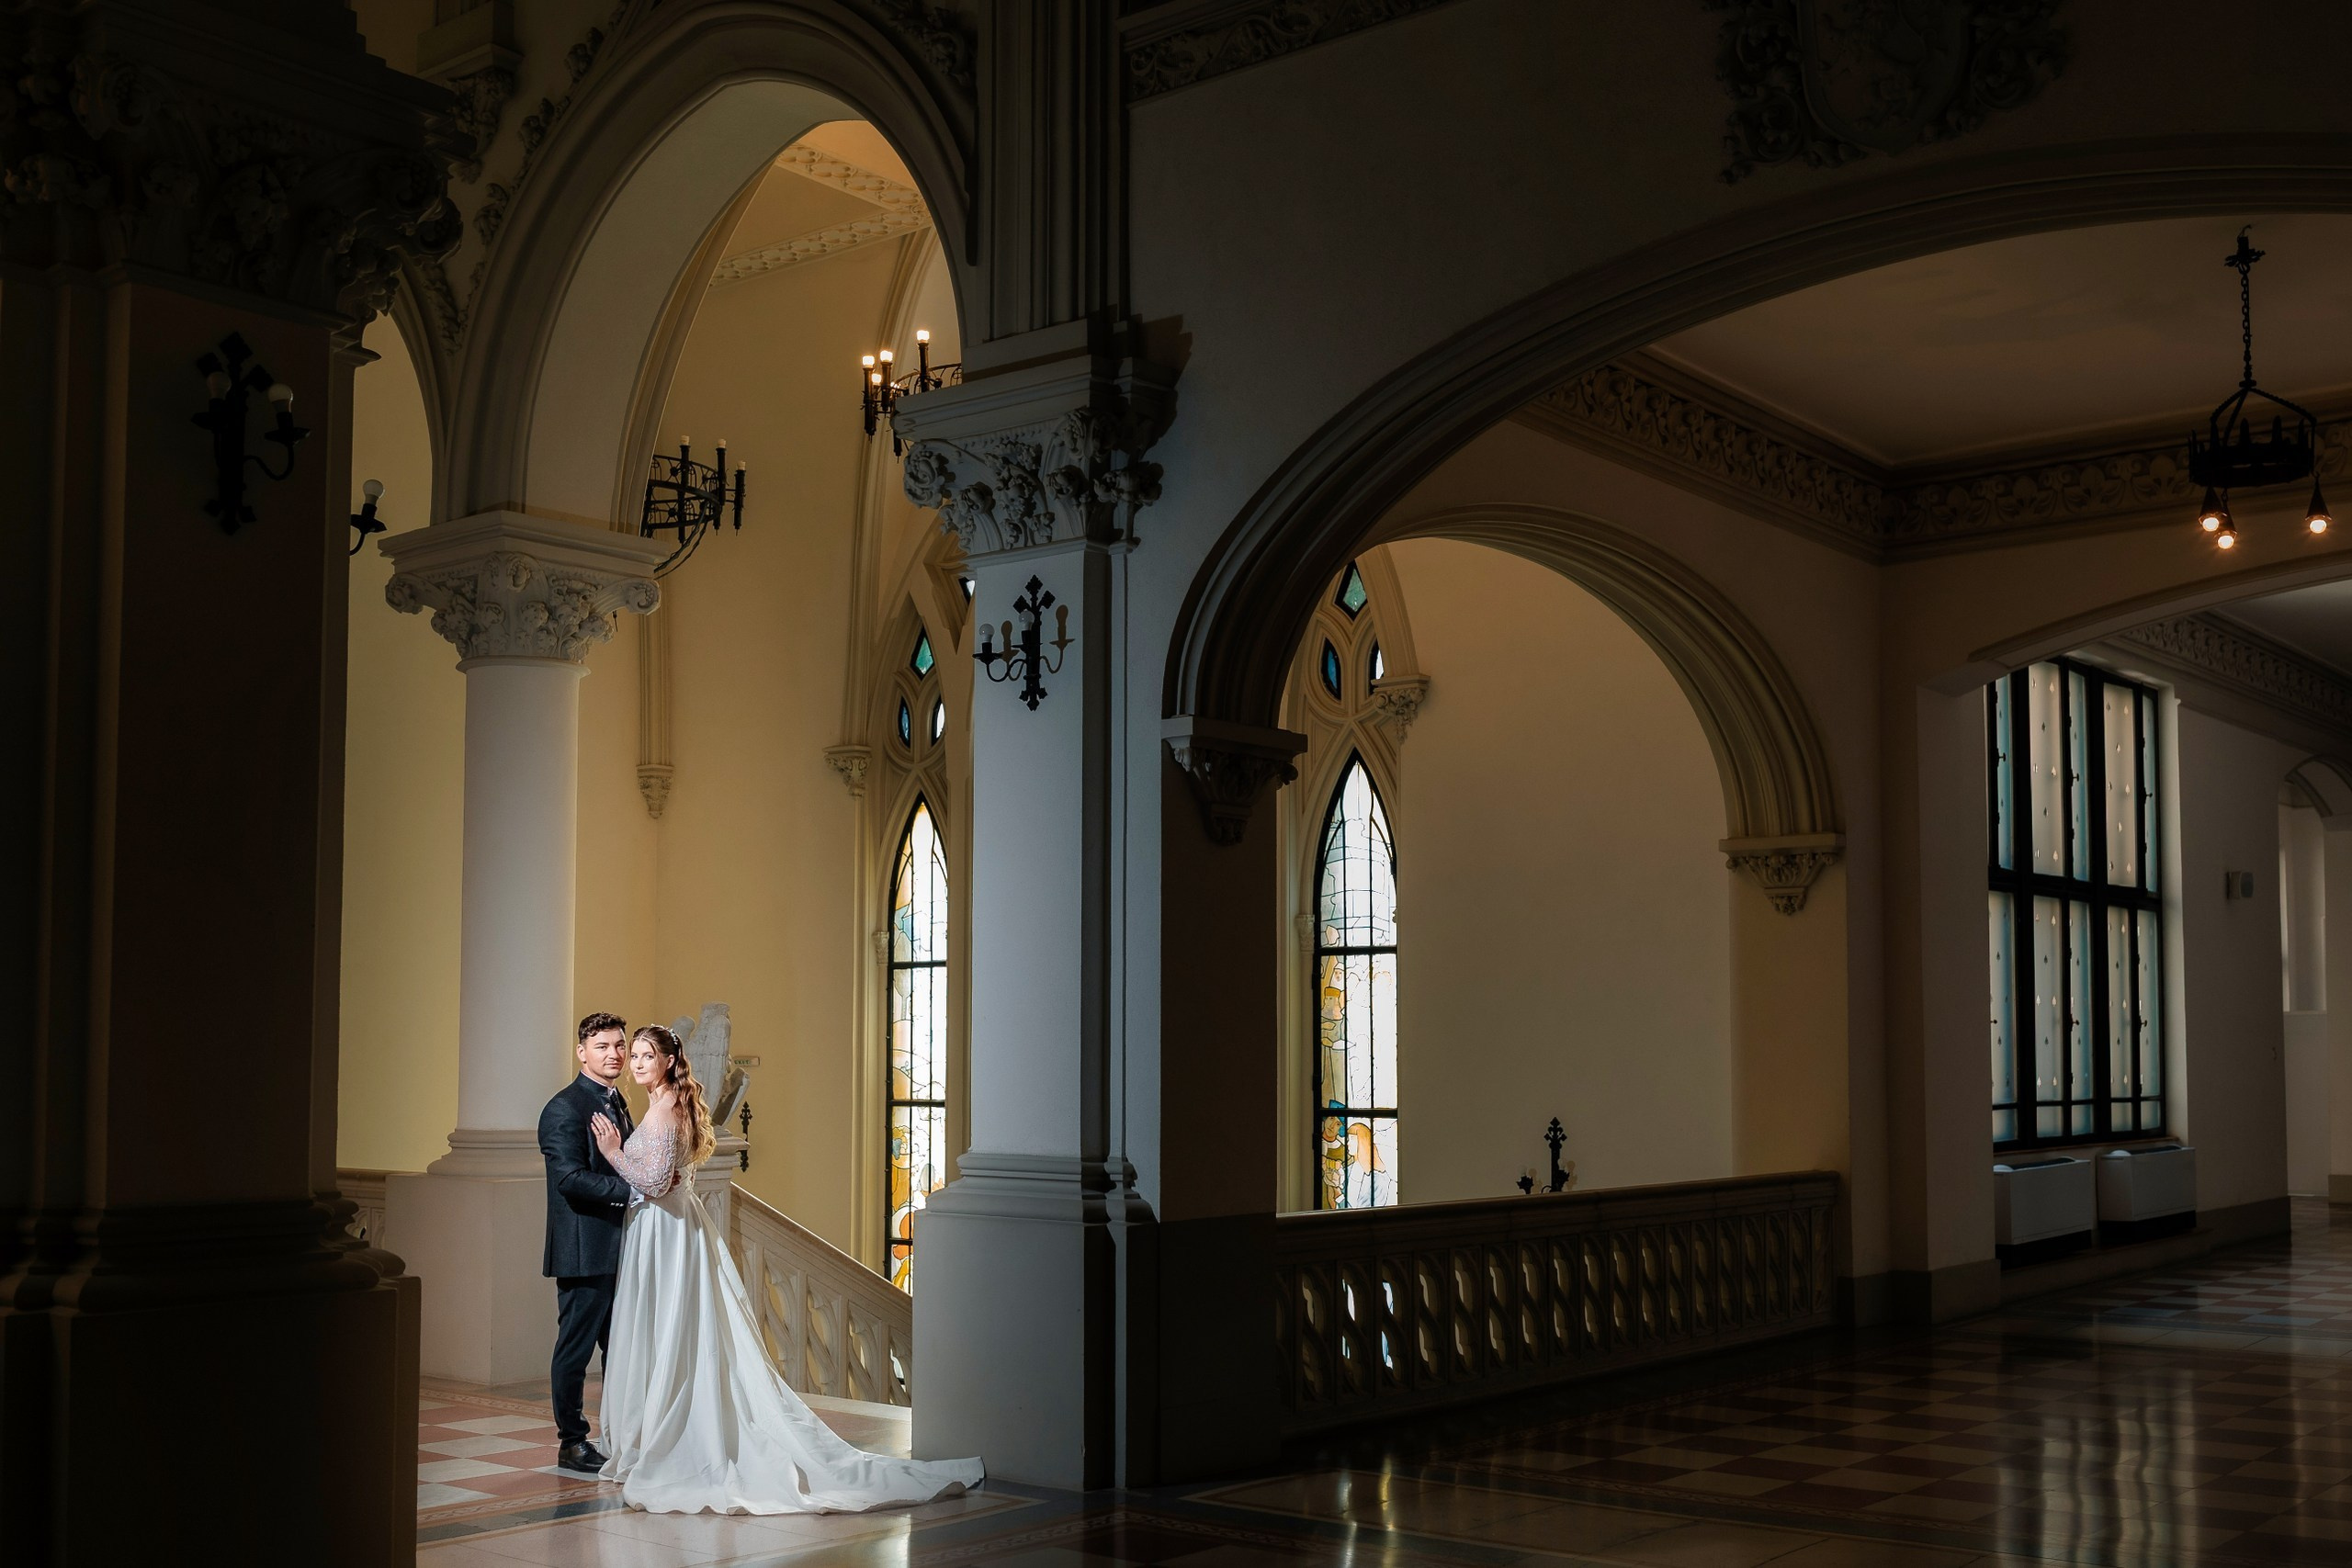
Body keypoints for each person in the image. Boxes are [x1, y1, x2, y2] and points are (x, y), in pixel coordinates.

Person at [590, 1023, 984, 1513]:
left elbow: (653, 1181)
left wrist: (611, 1153)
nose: (637, 1062)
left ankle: (672, 1437)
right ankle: (649, 1429)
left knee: (674, 1328)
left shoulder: (668, 1109)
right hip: (662, 1229)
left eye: (648, 1055)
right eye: (637, 1055)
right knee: (664, 1328)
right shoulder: (661, 1103)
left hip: (669, 1231)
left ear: (669, 1061)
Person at [537, 1011, 633, 1474]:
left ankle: (621, 1433)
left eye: (619, 1045)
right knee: (575, 1349)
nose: (613, 1054)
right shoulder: (564, 1107)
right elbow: (570, 1179)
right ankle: (571, 1442)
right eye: (602, 1047)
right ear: (582, 1052)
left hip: (621, 1248)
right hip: (583, 1249)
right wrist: (634, 1191)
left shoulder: (618, 1101)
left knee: (622, 1346)